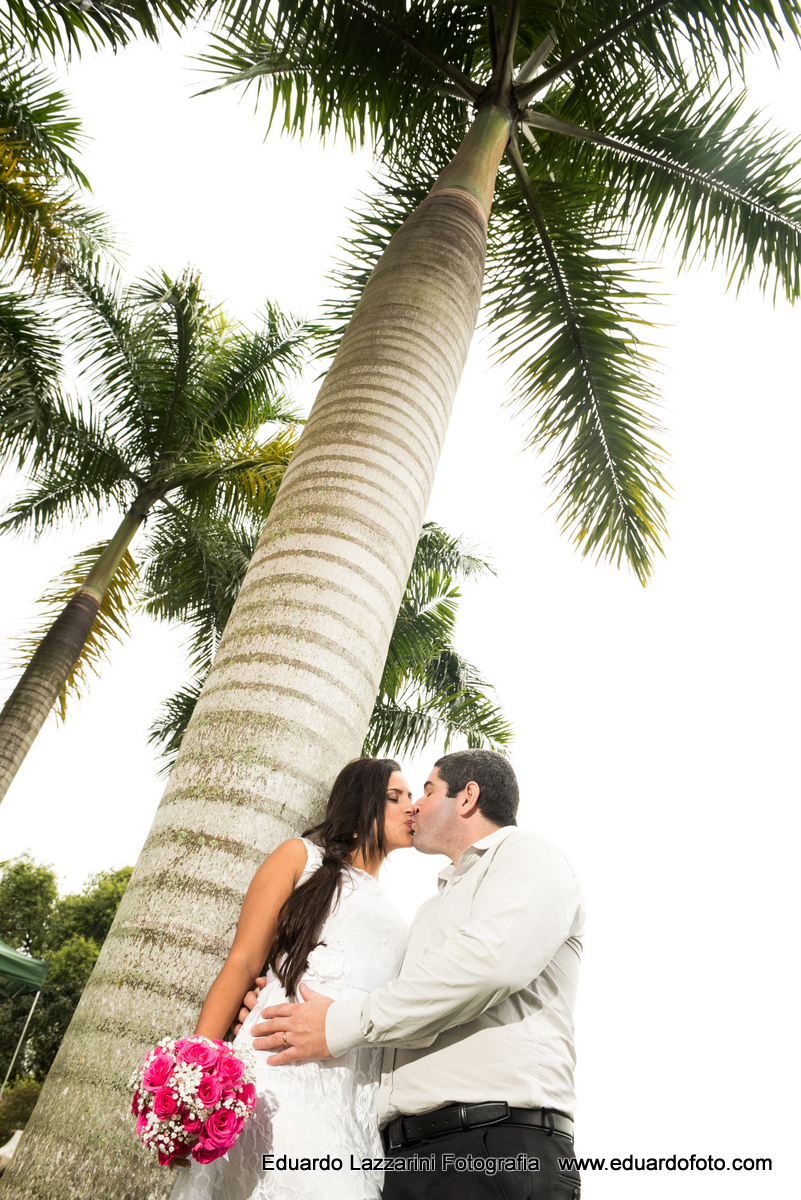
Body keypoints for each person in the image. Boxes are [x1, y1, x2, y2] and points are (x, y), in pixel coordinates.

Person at [250, 749, 585, 1200]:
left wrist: (335, 1025)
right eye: (404, 795)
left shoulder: (528, 855)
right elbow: (401, 1001)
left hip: (494, 1146)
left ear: (467, 798)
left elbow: (485, 967)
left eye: (426, 790)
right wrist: (277, 999)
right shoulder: (427, 911)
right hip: (405, 1160)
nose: (416, 806)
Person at [170, 757, 414, 1200]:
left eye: (413, 798)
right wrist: (192, 1077)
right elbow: (244, 962)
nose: (411, 808)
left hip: (354, 1098)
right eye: (396, 797)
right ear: (362, 806)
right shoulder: (301, 858)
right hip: (280, 1076)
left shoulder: (403, 917)